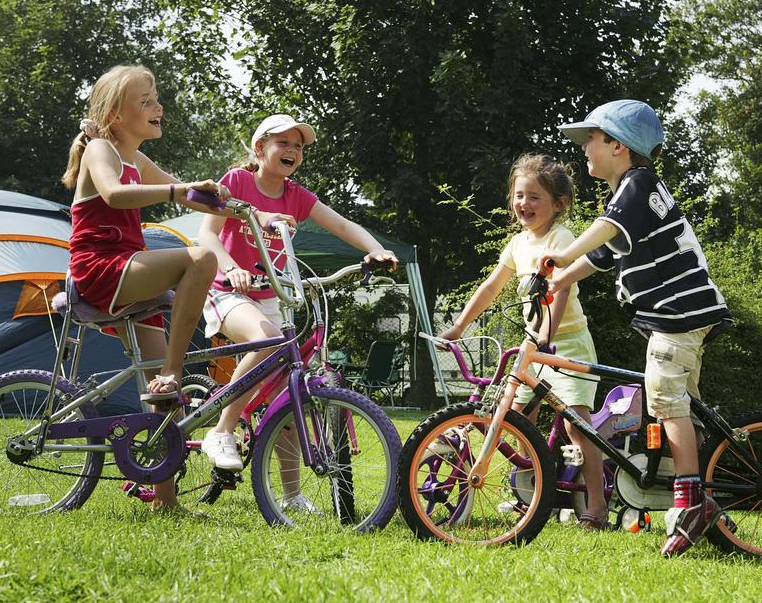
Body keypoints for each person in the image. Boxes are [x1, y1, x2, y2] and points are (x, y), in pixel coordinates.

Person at [540, 99, 732, 556]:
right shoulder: (632, 194)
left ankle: (690, 503)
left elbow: (603, 231)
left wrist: (562, 256)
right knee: (683, 407)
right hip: (680, 316)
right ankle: (695, 484)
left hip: (677, 316)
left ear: (618, 146)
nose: (584, 147)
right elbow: (604, 254)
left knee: (665, 400)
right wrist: (560, 277)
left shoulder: (638, 184)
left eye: (591, 138)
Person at [197, 114, 398, 511]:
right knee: (268, 342)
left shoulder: (296, 195)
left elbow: (341, 225)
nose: (292, 152)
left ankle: (291, 496)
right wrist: (231, 267)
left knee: (286, 398)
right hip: (227, 291)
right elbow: (206, 233)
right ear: (260, 149)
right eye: (283, 143)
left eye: (299, 146)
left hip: (272, 297)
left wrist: (374, 249)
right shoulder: (236, 181)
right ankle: (220, 431)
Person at [62, 64, 230, 511]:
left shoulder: (136, 158)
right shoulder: (102, 150)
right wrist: (178, 191)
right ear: (117, 114)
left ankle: (165, 500)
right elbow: (116, 195)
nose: (159, 107)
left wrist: (244, 209)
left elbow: (192, 195)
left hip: (129, 273)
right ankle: (173, 370)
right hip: (103, 268)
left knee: (164, 402)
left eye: (156, 99)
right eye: (147, 101)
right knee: (200, 258)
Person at [437, 154, 610, 531]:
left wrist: (547, 333)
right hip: (535, 345)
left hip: (568, 344)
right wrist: (458, 327)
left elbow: (559, 288)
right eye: (519, 195)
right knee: (516, 422)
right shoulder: (517, 244)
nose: (524, 204)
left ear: (558, 204)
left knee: (577, 426)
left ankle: (596, 506)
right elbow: (490, 287)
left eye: (535, 197)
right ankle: (526, 497)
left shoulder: (561, 239)